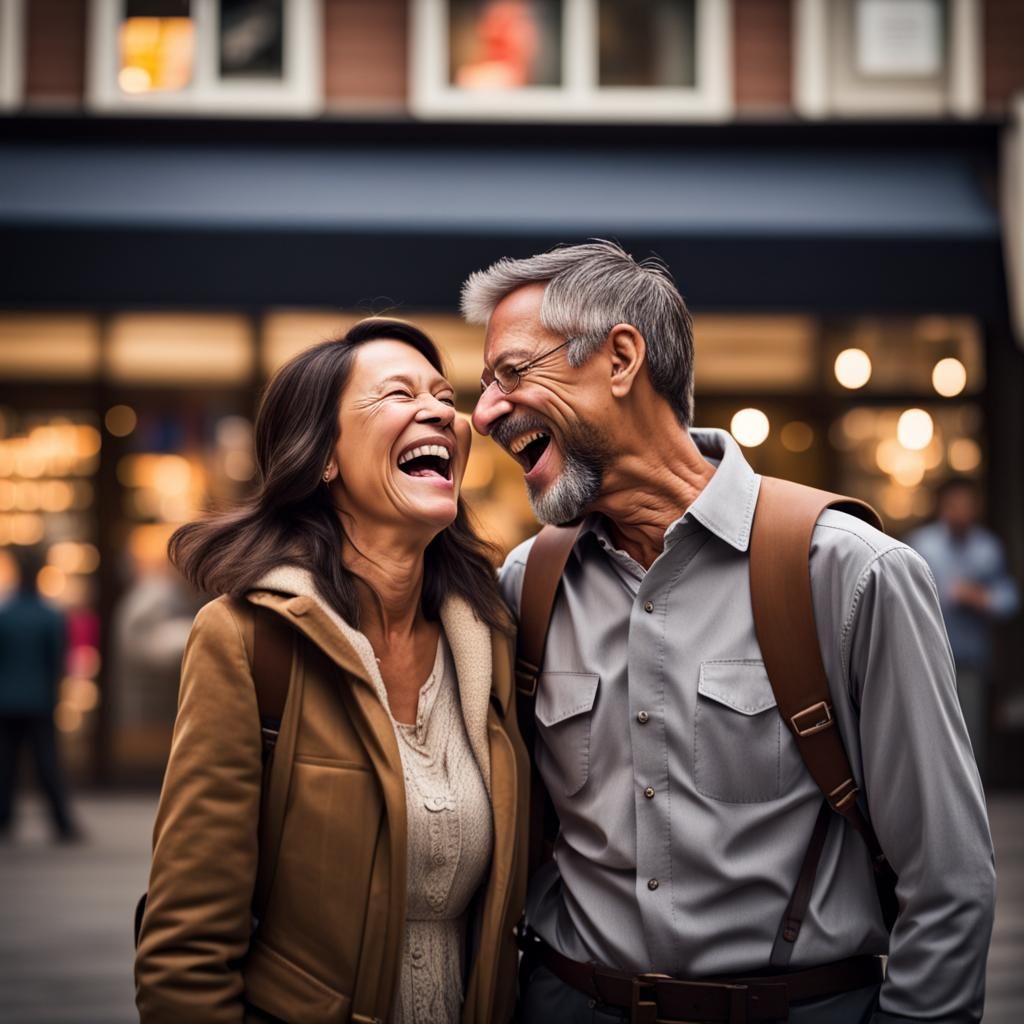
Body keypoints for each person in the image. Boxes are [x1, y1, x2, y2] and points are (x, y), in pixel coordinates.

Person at [463, 241, 996, 1023]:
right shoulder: (527, 584)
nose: (483, 414)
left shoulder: (850, 574)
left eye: (511, 373)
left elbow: (949, 886)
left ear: (620, 359)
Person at [134, 318, 528, 1024]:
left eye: (444, 394)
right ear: (324, 458)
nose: (440, 409)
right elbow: (185, 950)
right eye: (397, 394)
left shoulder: (495, 641)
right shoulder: (246, 641)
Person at [907, 477, 1019, 781]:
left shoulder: (988, 548)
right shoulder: (921, 545)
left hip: (969, 659)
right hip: (927, 657)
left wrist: (981, 598)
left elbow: (1010, 599)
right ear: (942, 507)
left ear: (975, 508)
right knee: (928, 732)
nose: (960, 511)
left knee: (969, 734)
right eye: (953, 504)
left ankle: (970, 802)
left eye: (966, 505)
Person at [0, 545, 79, 842]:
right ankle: (61, 822)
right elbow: (58, 660)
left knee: (6, 763)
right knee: (47, 762)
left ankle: (4, 817)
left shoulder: (5, 614)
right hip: (38, 699)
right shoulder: (49, 616)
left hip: (6, 700)